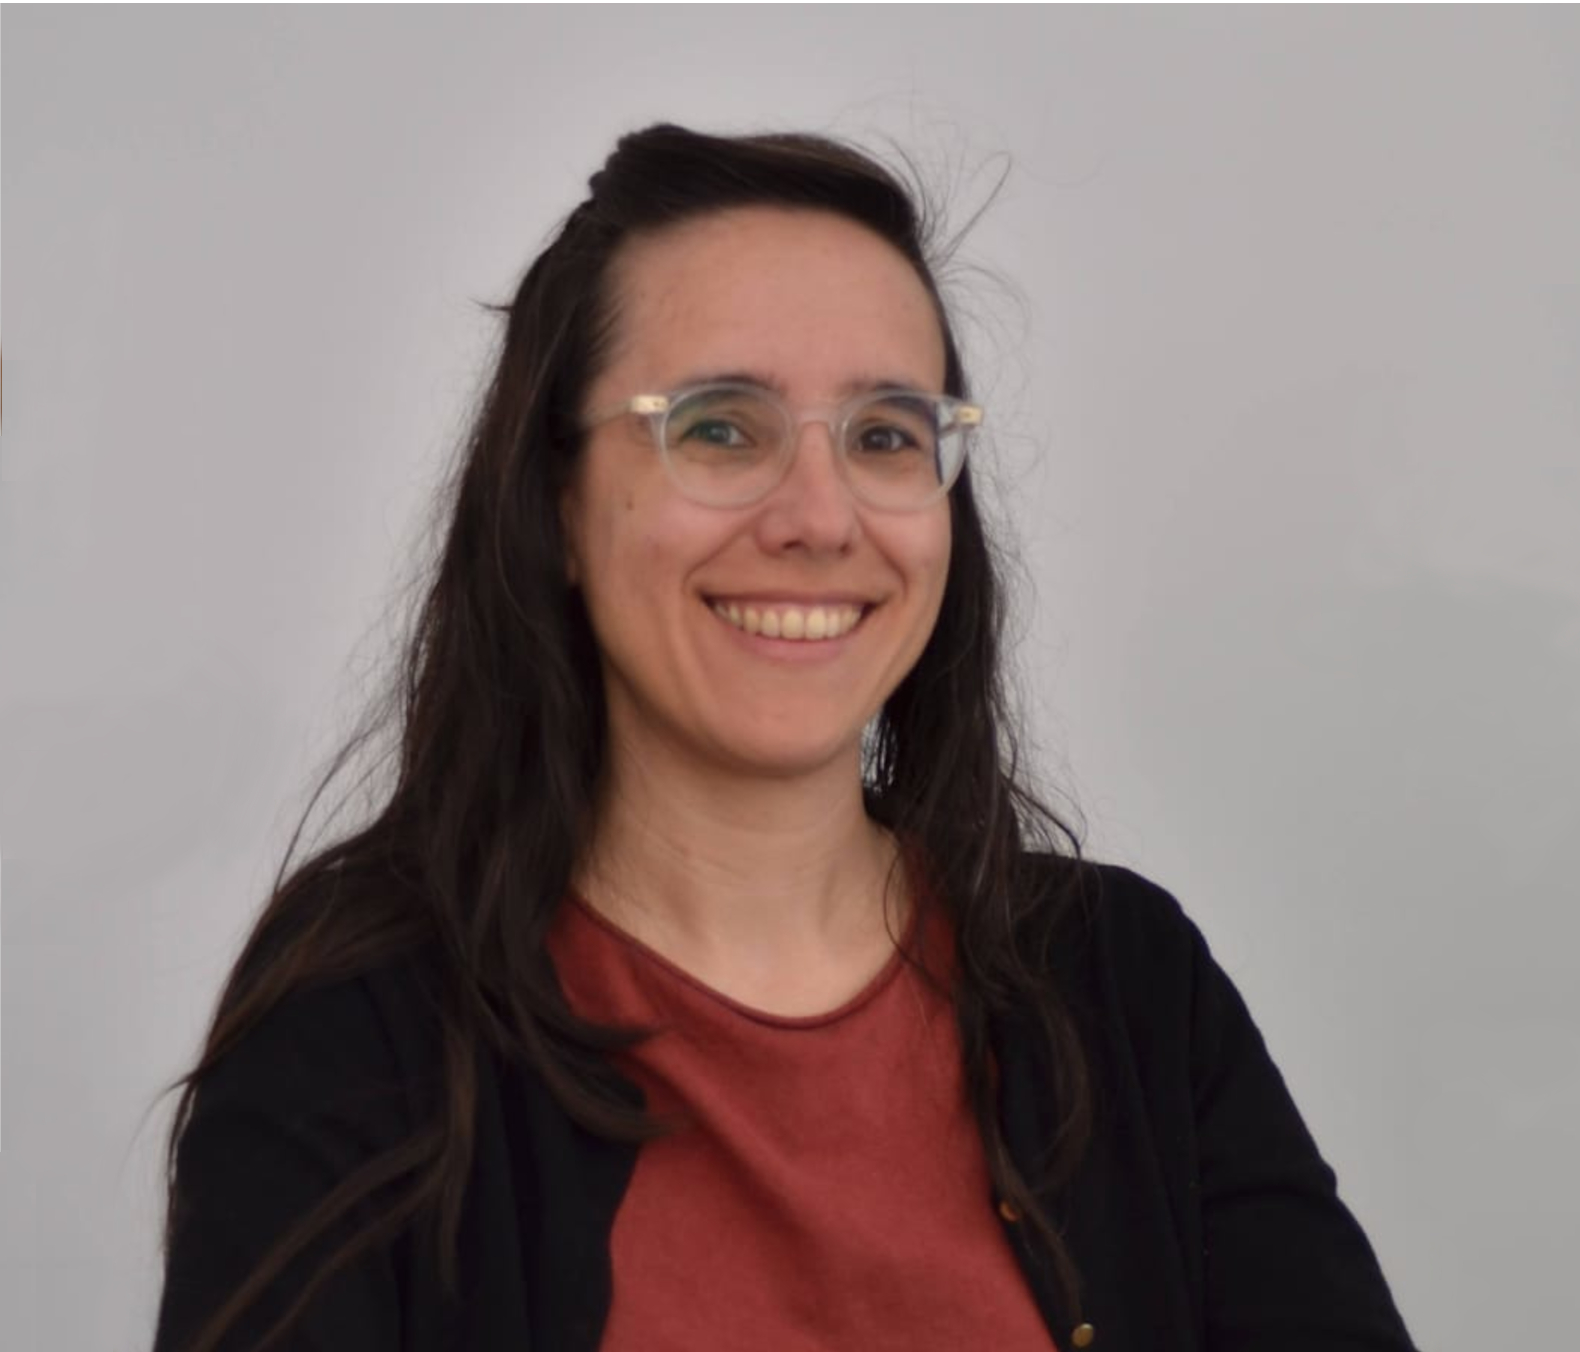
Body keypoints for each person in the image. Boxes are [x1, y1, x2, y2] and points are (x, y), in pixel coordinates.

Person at [151, 124, 1417, 1352]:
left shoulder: (1127, 986)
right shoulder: (359, 1023)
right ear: (555, 500)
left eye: (884, 435)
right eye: (717, 426)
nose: (819, 516)